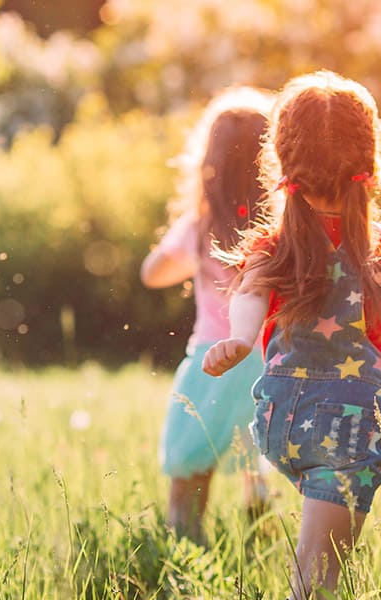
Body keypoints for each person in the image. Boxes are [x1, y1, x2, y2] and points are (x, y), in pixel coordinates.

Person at [204, 71, 381, 600]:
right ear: (371, 163)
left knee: (320, 565)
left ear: (282, 160)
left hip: (281, 420)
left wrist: (240, 339)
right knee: (317, 578)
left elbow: (251, 292)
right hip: (348, 427)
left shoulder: (277, 244)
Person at [141, 87, 276, 544]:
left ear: (208, 162)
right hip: (269, 358)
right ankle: (259, 541)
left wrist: (192, 253)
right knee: (256, 457)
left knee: (190, 459)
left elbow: (152, 273)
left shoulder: (201, 227)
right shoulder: (279, 231)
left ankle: (185, 544)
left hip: (213, 359)